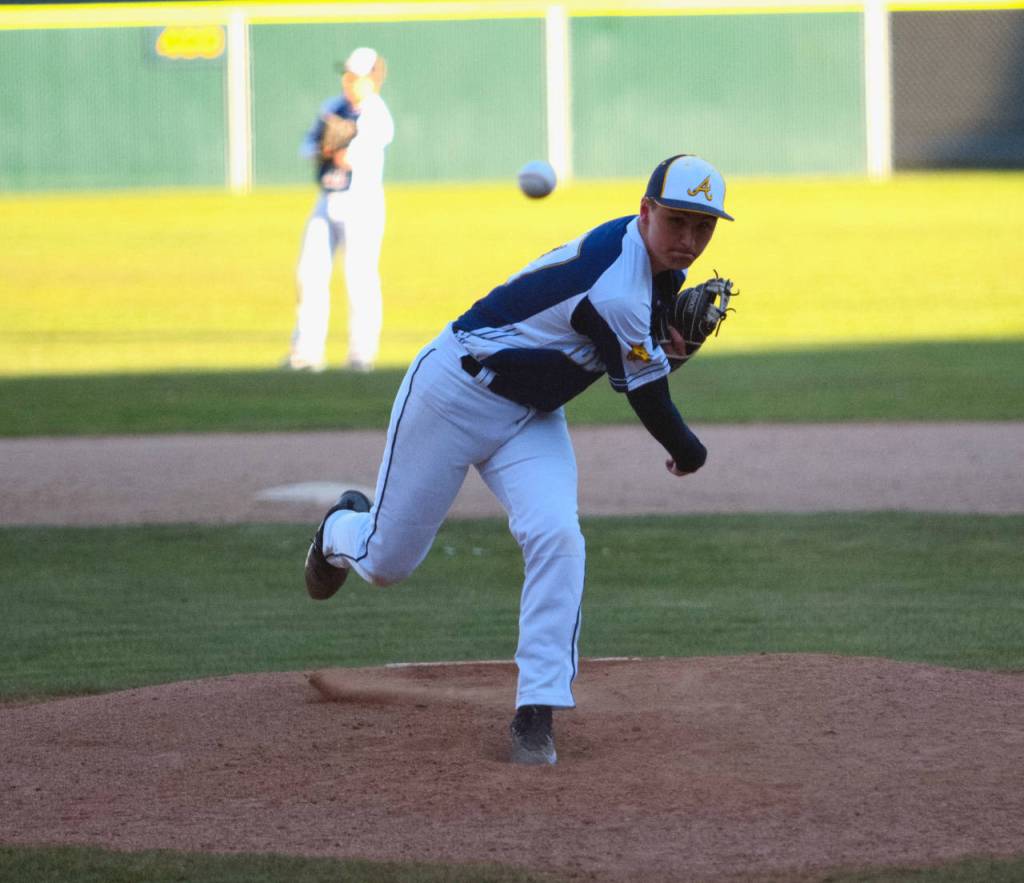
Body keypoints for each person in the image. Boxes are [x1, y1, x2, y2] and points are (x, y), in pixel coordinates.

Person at [303, 154, 734, 764]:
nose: (689, 240)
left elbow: (623, 351)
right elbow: (648, 395)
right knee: (387, 560)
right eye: (678, 222)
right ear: (645, 212)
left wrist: (666, 345)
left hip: (529, 416)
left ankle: (537, 711)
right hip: (452, 395)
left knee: (558, 535)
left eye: (704, 227)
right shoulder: (618, 284)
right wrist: (689, 453)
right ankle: (336, 531)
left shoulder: (654, 268)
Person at [285, 46, 395, 373]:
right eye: (347, 75)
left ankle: (361, 355)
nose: (348, 81)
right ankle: (306, 353)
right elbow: (307, 149)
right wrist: (324, 146)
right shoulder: (332, 108)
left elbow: (352, 156)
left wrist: (332, 147)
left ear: (373, 80)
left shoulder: (377, 114)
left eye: (356, 76)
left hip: (362, 204)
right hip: (328, 198)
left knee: (359, 278)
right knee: (309, 274)